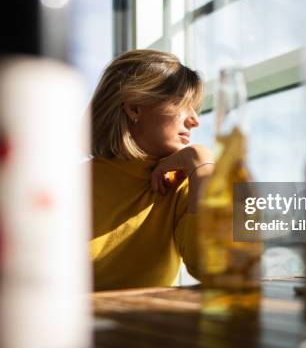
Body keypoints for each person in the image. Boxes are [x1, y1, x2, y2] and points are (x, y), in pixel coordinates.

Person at [89, 49, 214, 291]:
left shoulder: (183, 184)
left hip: (147, 326)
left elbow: (212, 268)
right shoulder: (66, 184)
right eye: (181, 104)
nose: (195, 120)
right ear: (135, 108)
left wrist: (203, 165)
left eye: (195, 108)